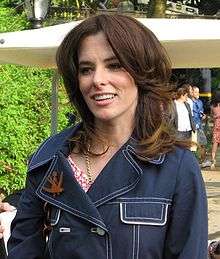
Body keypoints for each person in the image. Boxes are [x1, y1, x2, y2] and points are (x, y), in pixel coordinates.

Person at [7, 14, 208, 258]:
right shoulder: (50, 158)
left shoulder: (175, 166)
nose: (98, 80)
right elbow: (23, 247)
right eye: (86, 69)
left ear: (141, 71)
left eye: (114, 65)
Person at [192, 86, 211, 167]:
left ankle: (202, 161)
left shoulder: (200, 102)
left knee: (203, 143)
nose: (198, 94)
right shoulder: (189, 102)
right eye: (196, 92)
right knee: (192, 146)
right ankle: (193, 163)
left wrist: (203, 116)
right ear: (191, 93)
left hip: (199, 126)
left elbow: (201, 112)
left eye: (198, 92)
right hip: (192, 126)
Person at [210, 90, 220, 169]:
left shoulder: (212, 106)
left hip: (216, 126)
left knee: (215, 144)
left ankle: (213, 161)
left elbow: (211, 117)